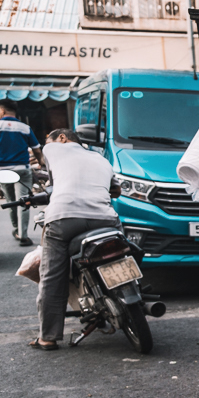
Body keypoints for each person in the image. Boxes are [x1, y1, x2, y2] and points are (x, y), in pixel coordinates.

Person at [32, 128, 120, 351]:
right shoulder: (101, 158)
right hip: (106, 219)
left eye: (48, 139)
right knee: (122, 253)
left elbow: (51, 186)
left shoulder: (52, 149)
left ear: (61, 138)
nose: (46, 145)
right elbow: (115, 190)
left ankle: (48, 338)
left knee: (52, 276)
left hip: (64, 219)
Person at [0, 101, 42, 245]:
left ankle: (16, 229)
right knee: (24, 201)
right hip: (22, 169)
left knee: (11, 201)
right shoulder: (25, 128)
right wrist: (41, 162)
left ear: (2, 111)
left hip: (3, 170)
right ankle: (23, 235)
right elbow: (37, 149)